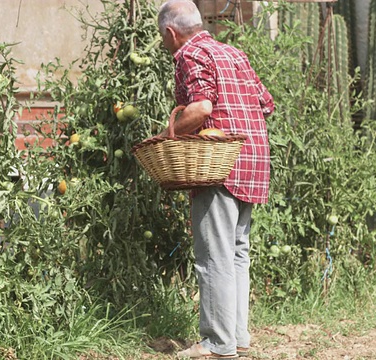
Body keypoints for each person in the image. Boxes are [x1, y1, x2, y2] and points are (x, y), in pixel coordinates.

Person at [157, 1, 275, 358]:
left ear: (170, 33)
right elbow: (266, 104)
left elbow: (202, 107)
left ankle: (216, 343)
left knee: (214, 257)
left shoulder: (189, 54)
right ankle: (237, 336)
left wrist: (169, 135)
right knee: (238, 253)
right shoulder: (233, 53)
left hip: (219, 163)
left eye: (163, 38)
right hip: (253, 159)